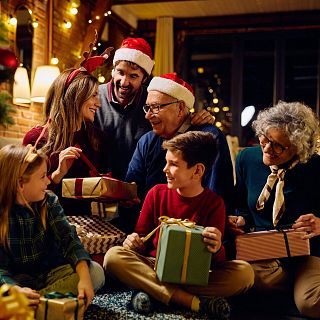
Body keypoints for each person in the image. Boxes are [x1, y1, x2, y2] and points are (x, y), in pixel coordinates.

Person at [104, 131, 253, 319]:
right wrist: (134, 242)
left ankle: (153, 291)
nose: (165, 169)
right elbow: (141, 242)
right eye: (166, 162)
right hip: (154, 266)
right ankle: (191, 301)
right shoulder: (156, 193)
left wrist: (216, 248)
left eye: (173, 164)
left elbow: (217, 262)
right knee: (113, 257)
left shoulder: (214, 203)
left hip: (193, 275)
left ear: (197, 170)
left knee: (245, 273)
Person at [228, 101, 320, 318]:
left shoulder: (316, 167)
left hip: (309, 251)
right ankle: (298, 286)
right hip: (264, 250)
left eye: (278, 145)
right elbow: (241, 205)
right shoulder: (246, 159)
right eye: (265, 138)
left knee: (311, 303)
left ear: (298, 148)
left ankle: (301, 289)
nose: (267, 148)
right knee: (246, 276)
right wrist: (241, 219)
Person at [0, 144, 105, 309]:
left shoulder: (49, 202)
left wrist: (84, 277)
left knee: (96, 274)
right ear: (20, 184)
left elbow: (69, 239)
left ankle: (31, 305)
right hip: (15, 280)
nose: (48, 180)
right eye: (42, 177)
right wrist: (12, 290)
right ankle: (42, 304)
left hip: (50, 274)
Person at [95, 37, 214, 181]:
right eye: (120, 72)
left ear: (144, 78)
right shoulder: (94, 97)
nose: (124, 82)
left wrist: (201, 118)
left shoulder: (152, 100)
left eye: (133, 76)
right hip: (98, 184)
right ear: (113, 71)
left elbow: (179, 119)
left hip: (138, 184)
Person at [23, 47, 113, 216]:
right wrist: (58, 173)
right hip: (48, 224)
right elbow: (25, 197)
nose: (98, 104)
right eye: (93, 96)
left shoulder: (98, 139)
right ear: (75, 96)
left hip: (89, 225)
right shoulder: (36, 139)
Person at [126, 73, 234, 213]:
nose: (148, 115)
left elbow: (217, 197)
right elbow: (132, 188)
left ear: (181, 108)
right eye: (147, 107)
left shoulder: (210, 137)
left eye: (156, 107)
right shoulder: (146, 141)